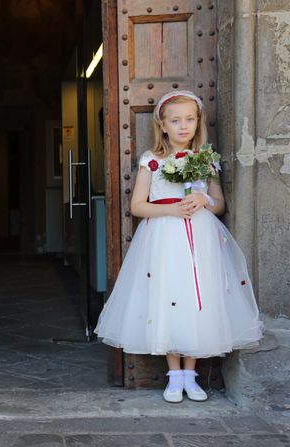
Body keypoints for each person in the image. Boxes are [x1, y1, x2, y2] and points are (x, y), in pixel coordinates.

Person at [94, 91, 263, 403]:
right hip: (164, 238)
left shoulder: (206, 160)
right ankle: (174, 375)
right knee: (168, 296)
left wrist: (204, 199)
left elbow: (219, 205)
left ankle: (191, 373)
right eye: (176, 120)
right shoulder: (153, 161)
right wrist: (171, 209)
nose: (183, 126)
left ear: (197, 122)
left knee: (198, 296)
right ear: (163, 125)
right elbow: (138, 206)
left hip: (200, 238)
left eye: (189, 119)